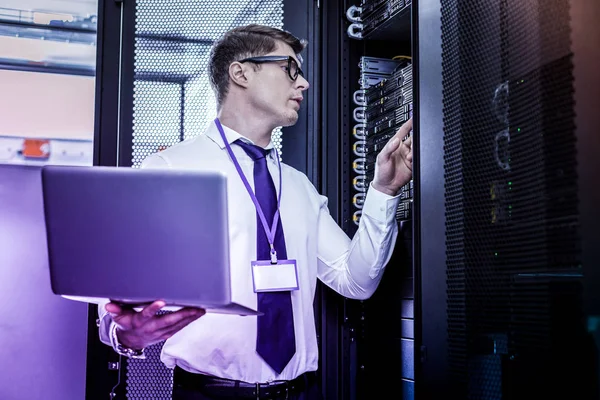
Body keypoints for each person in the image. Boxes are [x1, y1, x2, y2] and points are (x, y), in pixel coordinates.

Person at [97, 24, 413, 400]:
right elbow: (117, 295)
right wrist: (125, 334)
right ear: (241, 72)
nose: (304, 84)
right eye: (290, 69)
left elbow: (356, 282)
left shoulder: (299, 187)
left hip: (300, 393)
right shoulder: (168, 170)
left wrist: (383, 190)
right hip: (207, 394)